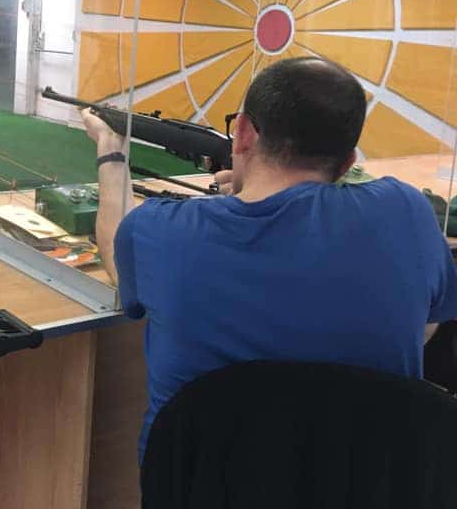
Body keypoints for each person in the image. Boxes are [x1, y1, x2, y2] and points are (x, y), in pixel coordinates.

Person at [81, 56, 457, 462]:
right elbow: (426, 325)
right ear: (348, 162)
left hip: (197, 484)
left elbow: (117, 256)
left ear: (242, 133)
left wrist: (111, 153)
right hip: (365, 482)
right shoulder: (407, 211)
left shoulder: (160, 230)